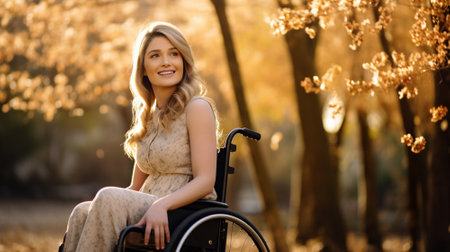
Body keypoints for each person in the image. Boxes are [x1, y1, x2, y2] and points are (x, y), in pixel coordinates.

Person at [61, 21, 219, 251]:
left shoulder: (197, 108)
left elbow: (205, 181)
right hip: (148, 203)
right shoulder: (149, 115)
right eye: (155, 55)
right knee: (82, 211)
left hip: (184, 211)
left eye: (174, 54)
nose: (166, 61)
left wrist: (162, 205)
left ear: (183, 61)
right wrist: (99, 206)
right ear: (143, 68)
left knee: (107, 196)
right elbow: (135, 188)